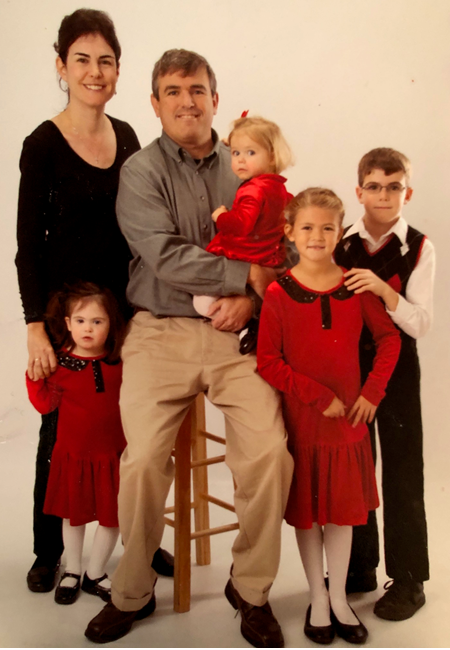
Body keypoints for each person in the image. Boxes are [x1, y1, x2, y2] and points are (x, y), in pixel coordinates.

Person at [85, 49, 294, 648]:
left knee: (269, 455)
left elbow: (284, 243)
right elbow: (165, 254)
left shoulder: (251, 164)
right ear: (154, 104)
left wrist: (253, 302)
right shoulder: (140, 171)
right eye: (173, 91)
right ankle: (134, 589)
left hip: (240, 334)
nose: (187, 101)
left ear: (215, 99)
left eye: (197, 89)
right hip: (158, 331)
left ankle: (250, 588)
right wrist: (241, 280)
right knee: (145, 459)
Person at [15, 8, 172, 595]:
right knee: (61, 433)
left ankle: (137, 540)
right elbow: (26, 247)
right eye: (82, 59)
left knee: (130, 431)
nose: (95, 70)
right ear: (61, 66)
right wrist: (36, 326)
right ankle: (49, 550)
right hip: (67, 316)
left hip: (126, 312)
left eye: (106, 60)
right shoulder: (42, 144)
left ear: (118, 69)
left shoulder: (129, 135)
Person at [257, 188, 400, 645]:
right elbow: (268, 361)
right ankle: (316, 597)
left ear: (340, 232)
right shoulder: (279, 292)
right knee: (309, 514)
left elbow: (389, 341)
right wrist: (318, 396)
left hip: (349, 424)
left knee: (340, 514)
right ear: (289, 233)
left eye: (327, 228)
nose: (317, 236)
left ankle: (339, 597)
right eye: (307, 227)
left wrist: (372, 393)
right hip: (305, 421)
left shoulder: (356, 285)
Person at [334, 148, 435, 621]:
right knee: (355, 467)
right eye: (373, 186)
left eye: (393, 186)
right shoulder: (339, 241)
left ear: (407, 192)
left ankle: (409, 578)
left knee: (401, 470)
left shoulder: (419, 246)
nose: (383, 195)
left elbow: (420, 323)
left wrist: (384, 291)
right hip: (348, 370)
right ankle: (359, 566)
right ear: (359, 192)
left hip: (397, 370)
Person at [26, 283, 126, 605]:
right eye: (81, 321)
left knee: (113, 518)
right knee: (73, 517)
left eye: (98, 322)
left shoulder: (119, 363)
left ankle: (95, 573)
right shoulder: (60, 365)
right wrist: (34, 375)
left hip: (112, 456)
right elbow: (44, 405)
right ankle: (73, 569)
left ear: (111, 324)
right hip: (74, 456)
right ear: (68, 323)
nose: (88, 328)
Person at [193, 115, 293, 352]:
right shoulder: (278, 187)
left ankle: (246, 326)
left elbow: (242, 224)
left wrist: (221, 217)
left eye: (250, 153)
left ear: (271, 156)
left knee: (202, 301)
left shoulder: (253, 190)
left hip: (243, 253)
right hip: (265, 253)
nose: (240, 161)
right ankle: (254, 323)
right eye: (236, 153)